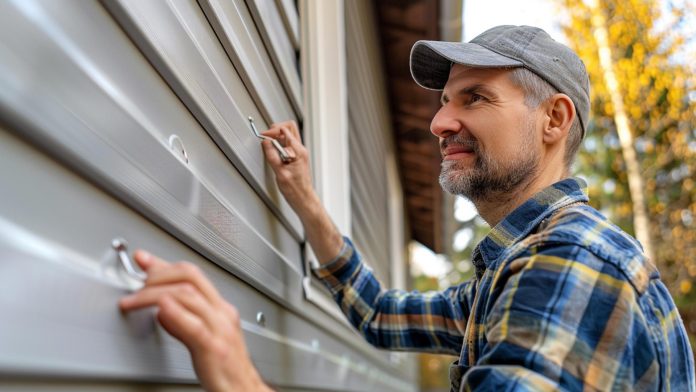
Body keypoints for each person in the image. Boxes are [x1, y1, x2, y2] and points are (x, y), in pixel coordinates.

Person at [119, 25, 696, 391]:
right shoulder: (517, 270)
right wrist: (303, 197)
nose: (439, 123)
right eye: (445, 102)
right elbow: (381, 315)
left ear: (554, 120)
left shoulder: (571, 262)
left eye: (475, 98)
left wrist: (239, 376)